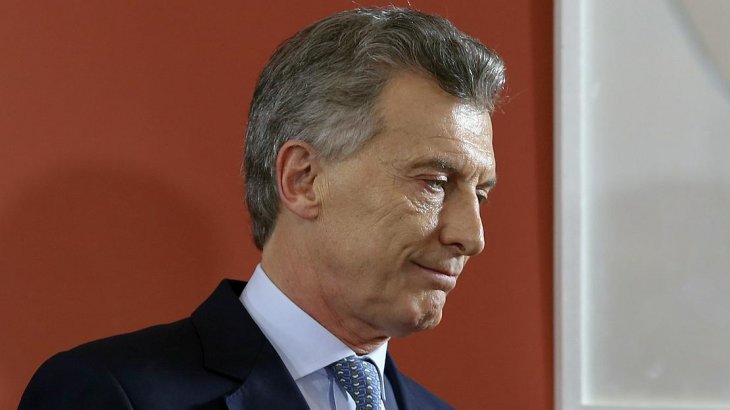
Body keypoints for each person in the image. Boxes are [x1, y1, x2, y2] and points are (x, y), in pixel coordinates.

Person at [20, 6, 505, 410]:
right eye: (435, 183)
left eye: (480, 194)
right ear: (302, 179)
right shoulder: (109, 393)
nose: (472, 236)